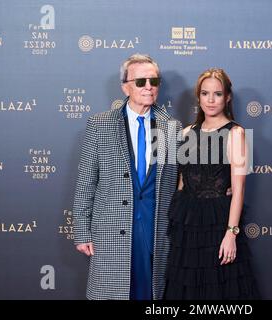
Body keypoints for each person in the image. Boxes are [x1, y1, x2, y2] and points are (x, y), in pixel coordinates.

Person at [73, 53, 181, 300]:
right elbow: (86, 182)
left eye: (154, 81)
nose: (149, 87)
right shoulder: (99, 125)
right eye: (141, 81)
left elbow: (179, 181)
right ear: (125, 86)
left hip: (156, 227)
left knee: (150, 293)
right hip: (111, 228)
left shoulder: (172, 127)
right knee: (113, 292)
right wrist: (81, 231)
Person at [164, 68, 259, 299]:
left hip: (219, 224)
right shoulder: (186, 132)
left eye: (217, 94)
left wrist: (231, 233)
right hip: (187, 223)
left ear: (227, 97)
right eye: (205, 93)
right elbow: (181, 183)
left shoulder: (236, 133)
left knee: (219, 290)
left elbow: (239, 190)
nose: (210, 100)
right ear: (199, 97)